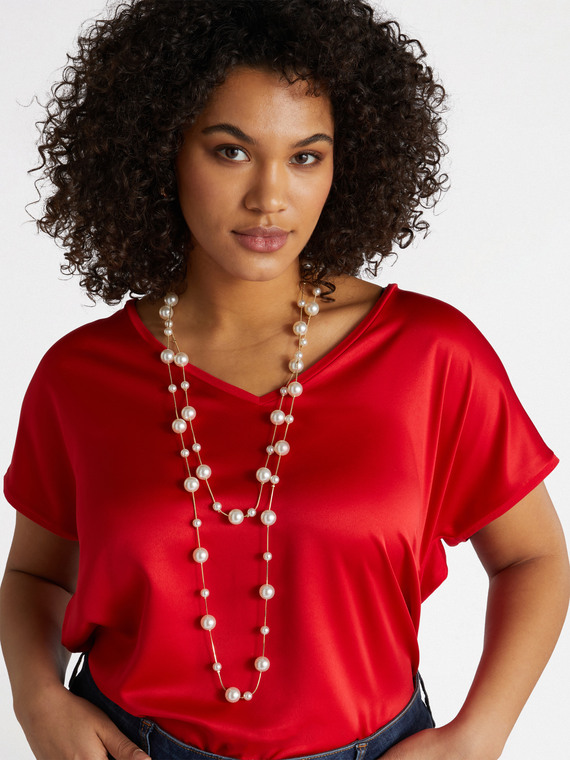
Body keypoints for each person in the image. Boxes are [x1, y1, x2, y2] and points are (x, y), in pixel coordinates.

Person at [1, 1, 568, 759]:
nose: (270, 197)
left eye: (306, 157)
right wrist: (37, 697)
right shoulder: (80, 376)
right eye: (230, 151)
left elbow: (533, 558)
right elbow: (37, 575)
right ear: (160, 151)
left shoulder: (429, 353)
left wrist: (476, 738)